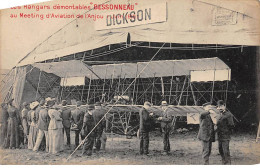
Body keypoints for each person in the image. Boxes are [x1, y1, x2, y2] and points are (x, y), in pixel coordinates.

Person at [216, 100, 234, 165]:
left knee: (226, 151)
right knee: (220, 150)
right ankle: (224, 163)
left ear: (224, 106)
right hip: (219, 136)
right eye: (218, 106)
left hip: (225, 136)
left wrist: (226, 132)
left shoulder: (228, 115)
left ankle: (228, 163)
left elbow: (231, 125)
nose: (219, 108)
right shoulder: (219, 114)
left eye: (221, 106)